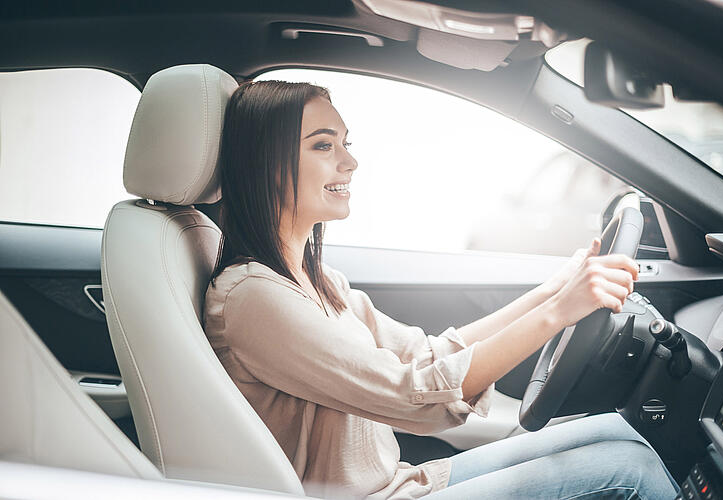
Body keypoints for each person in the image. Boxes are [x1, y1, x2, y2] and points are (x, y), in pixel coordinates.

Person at [203, 80, 679, 499]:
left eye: (345, 143)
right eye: (323, 146)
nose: (350, 162)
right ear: (266, 162)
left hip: (403, 483)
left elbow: (426, 354)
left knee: (621, 431)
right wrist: (557, 312)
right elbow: (412, 396)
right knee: (628, 471)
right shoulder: (253, 296)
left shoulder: (316, 279)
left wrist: (554, 290)